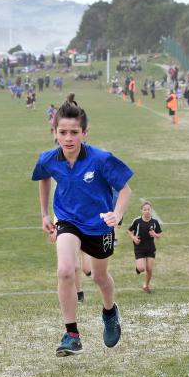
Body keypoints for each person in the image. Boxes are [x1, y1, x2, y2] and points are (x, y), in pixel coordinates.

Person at [32, 100, 133, 357]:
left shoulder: (101, 159)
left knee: (99, 277)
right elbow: (43, 178)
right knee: (65, 271)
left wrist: (117, 213)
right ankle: (72, 335)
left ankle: (110, 312)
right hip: (67, 221)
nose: (68, 138)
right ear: (54, 132)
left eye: (74, 132)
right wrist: (45, 214)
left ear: (84, 133)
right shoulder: (49, 158)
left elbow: (125, 189)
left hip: (99, 226)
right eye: (62, 132)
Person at [127, 201, 162, 293]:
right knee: (142, 268)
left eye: (148, 209)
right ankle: (138, 269)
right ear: (141, 211)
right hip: (139, 247)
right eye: (145, 209)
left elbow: (159, 234)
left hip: (150, 248)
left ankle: (146, 285)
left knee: (149, 269)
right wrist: (134, 238)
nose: (147, 211)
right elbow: (129, 231)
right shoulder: (137, 221)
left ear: (151, 210)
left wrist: (155, 234)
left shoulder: (155, 222)